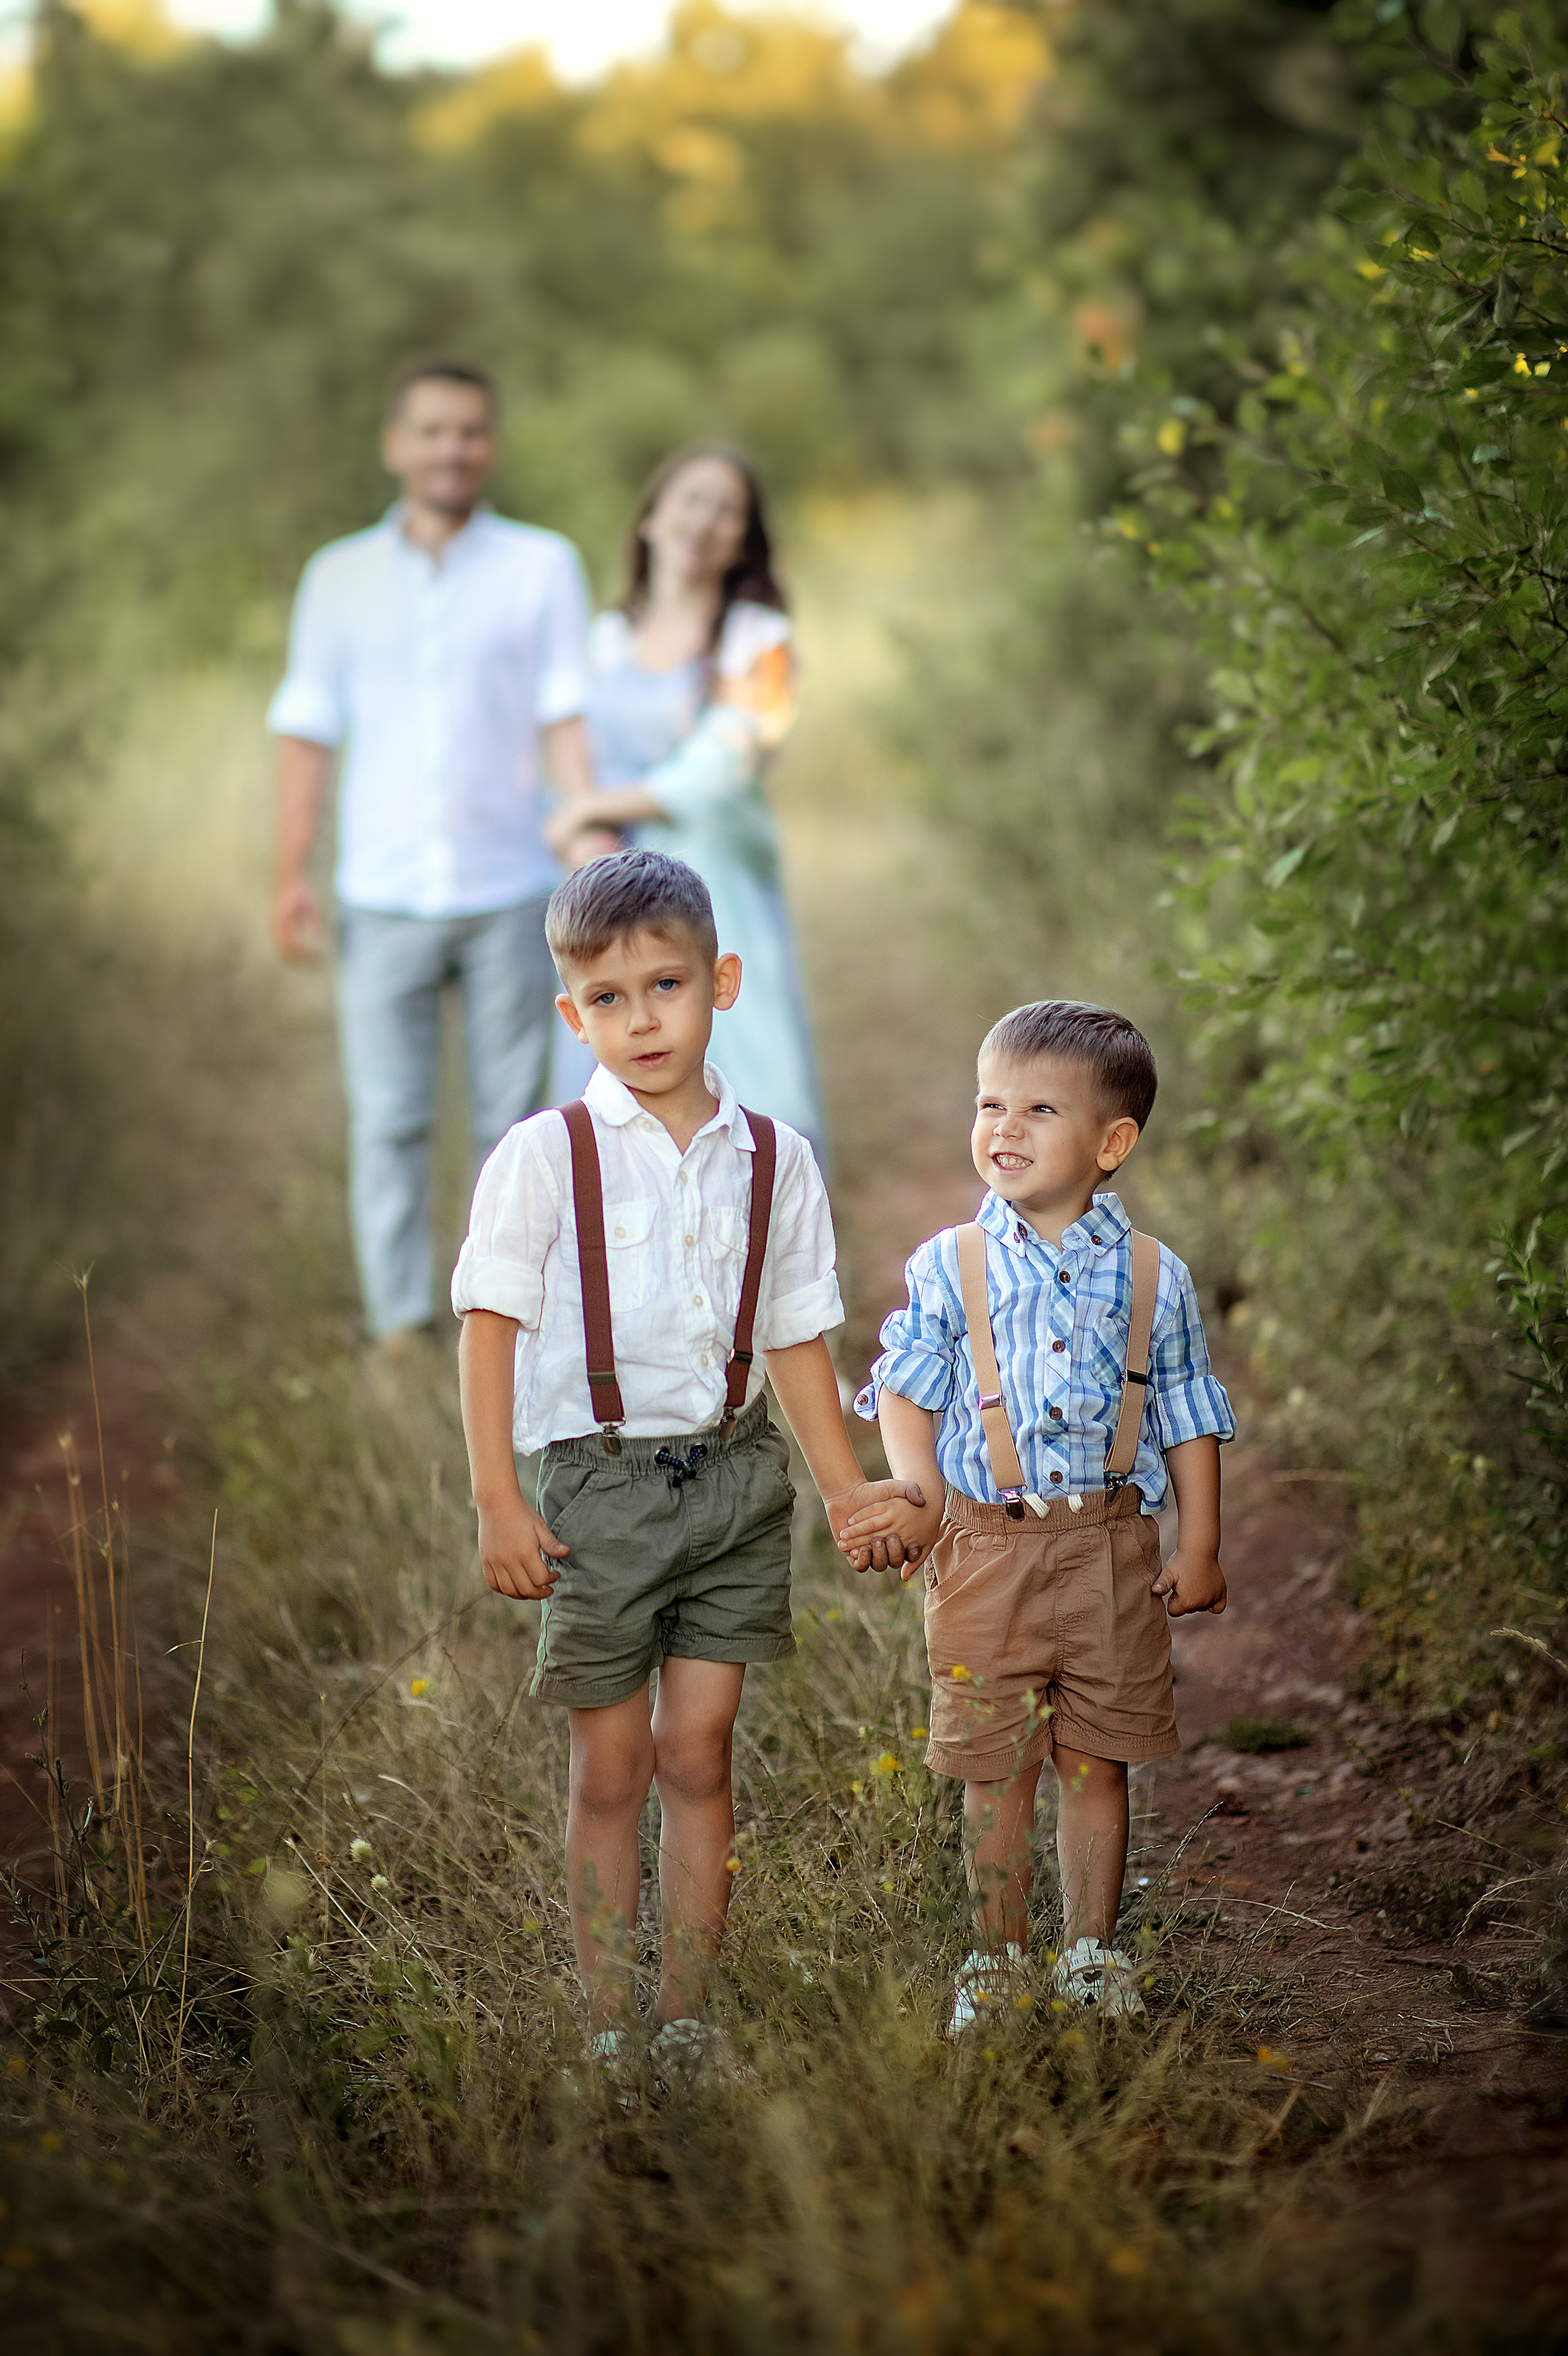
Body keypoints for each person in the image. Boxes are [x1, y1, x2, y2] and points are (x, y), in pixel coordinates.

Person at [452, 848, 925, 2074]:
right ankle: (612, 2024)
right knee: (610, 1760)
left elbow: (793, 1336)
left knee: (695, 1747)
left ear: (720, 980)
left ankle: (686, 2015)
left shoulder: (776, 1156)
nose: (639, 1017)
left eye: (663, 985)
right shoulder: (543, 1153)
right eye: (605, 998)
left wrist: (845, 1489)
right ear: (571, 1013)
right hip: (592, 1486)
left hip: (734, 1479)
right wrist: (498, 1495)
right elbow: (487, 1323)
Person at [849, 1000, 1234, 2031]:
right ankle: (999, 1958)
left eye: (1038, 1108)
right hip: (986, 1546)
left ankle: (1091, 1953)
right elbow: (907, 1384)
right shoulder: (952, 1264)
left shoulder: (1156, 1273)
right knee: (994, 1764)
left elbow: (1189, 1410)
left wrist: (1198, 1540)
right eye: (989, 1104)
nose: (1003, 1127)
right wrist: (917, 1488)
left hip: (1111, 1542)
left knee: (1094, 1757)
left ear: (1112, 1143)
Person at [268, 357, 594, 1347]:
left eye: (470, 431)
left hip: (511, 891)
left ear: (490, 445)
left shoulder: (542, 565)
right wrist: (288, 871)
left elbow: (564, 715)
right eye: (431, 430)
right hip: (382, 892)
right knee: (391, 1121)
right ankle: (400, 1328)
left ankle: (501, 1326)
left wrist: (585, 848)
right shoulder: (338, 576)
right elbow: (308, 728)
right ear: (395, 444)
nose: (451, 448)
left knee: (511, 1128)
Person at [544, 445, 827, 1167]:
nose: (704, 521)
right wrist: (585, 834)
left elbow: (724, 762)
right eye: (690, 500)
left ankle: (769, 1250)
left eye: (726, 509)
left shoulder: (759, 639)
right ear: (651, 517)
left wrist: (593, 807)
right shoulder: (604, 640)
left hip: (714, 878)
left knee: (753, 1080)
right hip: (604, 883)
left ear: (743, 539)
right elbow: (569, 751)